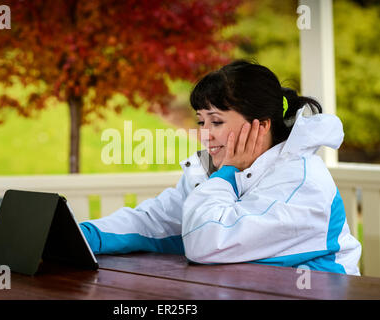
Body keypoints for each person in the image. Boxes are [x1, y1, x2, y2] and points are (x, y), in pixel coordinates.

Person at [79, 60, 362, 275]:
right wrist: (82, 236)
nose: (205, 134)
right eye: (201, 121)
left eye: (216, 122)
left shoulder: (303, 182)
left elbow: (206, 242)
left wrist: (226, 174)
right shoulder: (213, 169)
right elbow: (157, 221)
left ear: (261, 125)